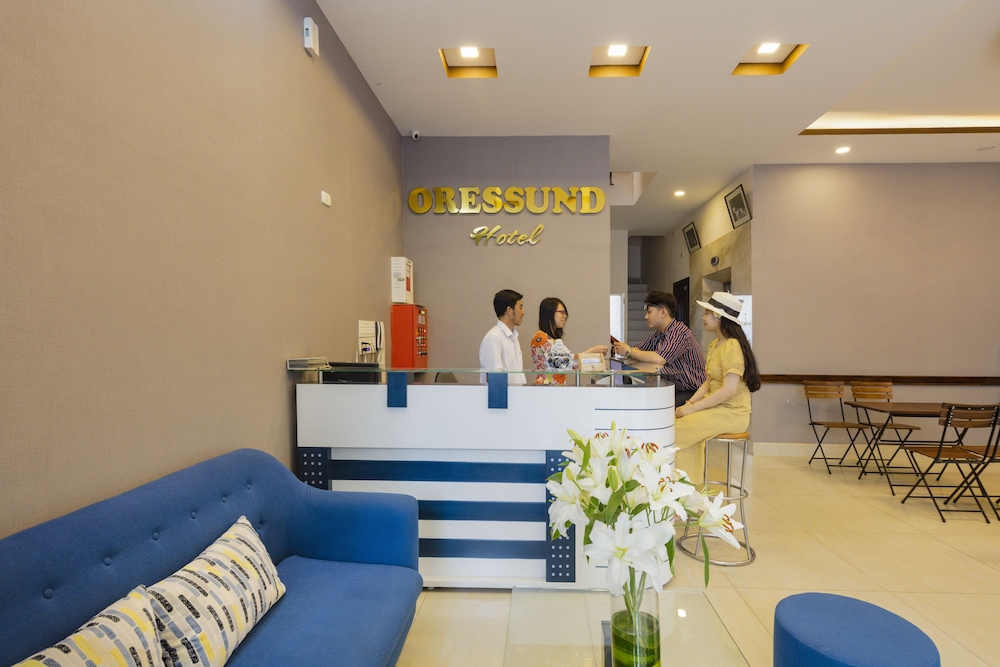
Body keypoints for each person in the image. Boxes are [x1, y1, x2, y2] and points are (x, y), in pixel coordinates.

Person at [672, 291, 761, 484]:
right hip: (717, 409)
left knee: (675, 431)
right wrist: (689, 403)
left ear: (719, 316)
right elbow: (708, 382)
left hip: (732, 413)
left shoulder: (733, 346)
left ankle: (684, 488)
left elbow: (728, 390)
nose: (703, 317)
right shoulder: (715, 344)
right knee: (681, 428)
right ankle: (686, 490)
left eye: (707, 313)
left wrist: (693, 408)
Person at [612, 291, 706, 404]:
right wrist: (629, 351)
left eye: (649, 312)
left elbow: (659, 359)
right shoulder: (658, 333)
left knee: (654, 402)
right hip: (675, 387)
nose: (646, 317)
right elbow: (638, 350)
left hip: (693, 391)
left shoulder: (679, 332)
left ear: (663, 312)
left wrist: (628, 351)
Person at [530, 297, 608, 385]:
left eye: (565, 313)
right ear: (549, 313)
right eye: (561, 312)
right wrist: (590, 352)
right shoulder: (541, 338)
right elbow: (565, 364)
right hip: (547, 387)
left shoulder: (550, 338)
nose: (565, 316)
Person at [479, 289, 527, 385]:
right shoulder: (494, 338)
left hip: (517, 393)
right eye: (520, 308)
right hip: (502, 394)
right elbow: (495, 379)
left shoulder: (514, 337)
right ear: (509, 310)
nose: (523, 312)